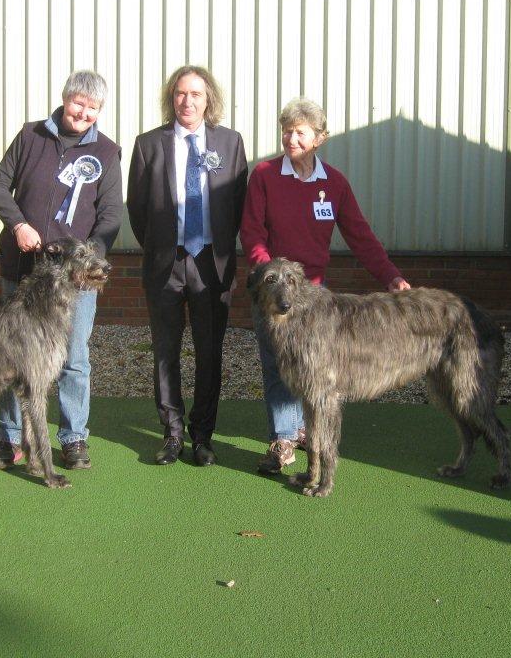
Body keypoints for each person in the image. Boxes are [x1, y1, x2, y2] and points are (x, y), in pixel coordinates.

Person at [239, 97, 410, 474]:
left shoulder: (333, 183)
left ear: (319, 138)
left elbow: (360, 236)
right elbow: (252, 231)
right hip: (273, 291)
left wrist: (391, 276)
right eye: (287, 130)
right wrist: (267, 273)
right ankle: (283, 436)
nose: (291, 138)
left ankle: (305, 430)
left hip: (314, 297)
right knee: (278, 366)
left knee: (313, 370)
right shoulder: (265, 175)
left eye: (300, 132)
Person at [0, 70, 123, 471]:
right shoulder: (30, 136)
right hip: (23, 266)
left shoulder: (107, 152)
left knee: (73, 358)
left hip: (72, 279)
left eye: (92, 107)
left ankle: (73, 437)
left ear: (99, 112)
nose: (83, 112)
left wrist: (88, 257)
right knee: (15, 357)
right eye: (78, 102)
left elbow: (111, 213)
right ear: (65, 99)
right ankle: (8, 438)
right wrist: (18, 224)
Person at [127, 65, 248, 466]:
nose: (187, 101)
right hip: (166, 261)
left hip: (211, 264)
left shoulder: (230, 144)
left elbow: (238, 205)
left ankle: (203, 435)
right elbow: (139, 210)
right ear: (171, 98)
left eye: (196, 94)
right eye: (180, 93)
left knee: (209, 352)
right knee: (166, 351)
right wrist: (165, 247)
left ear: (208, 99)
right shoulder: (148, 144)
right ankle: (172, 433)